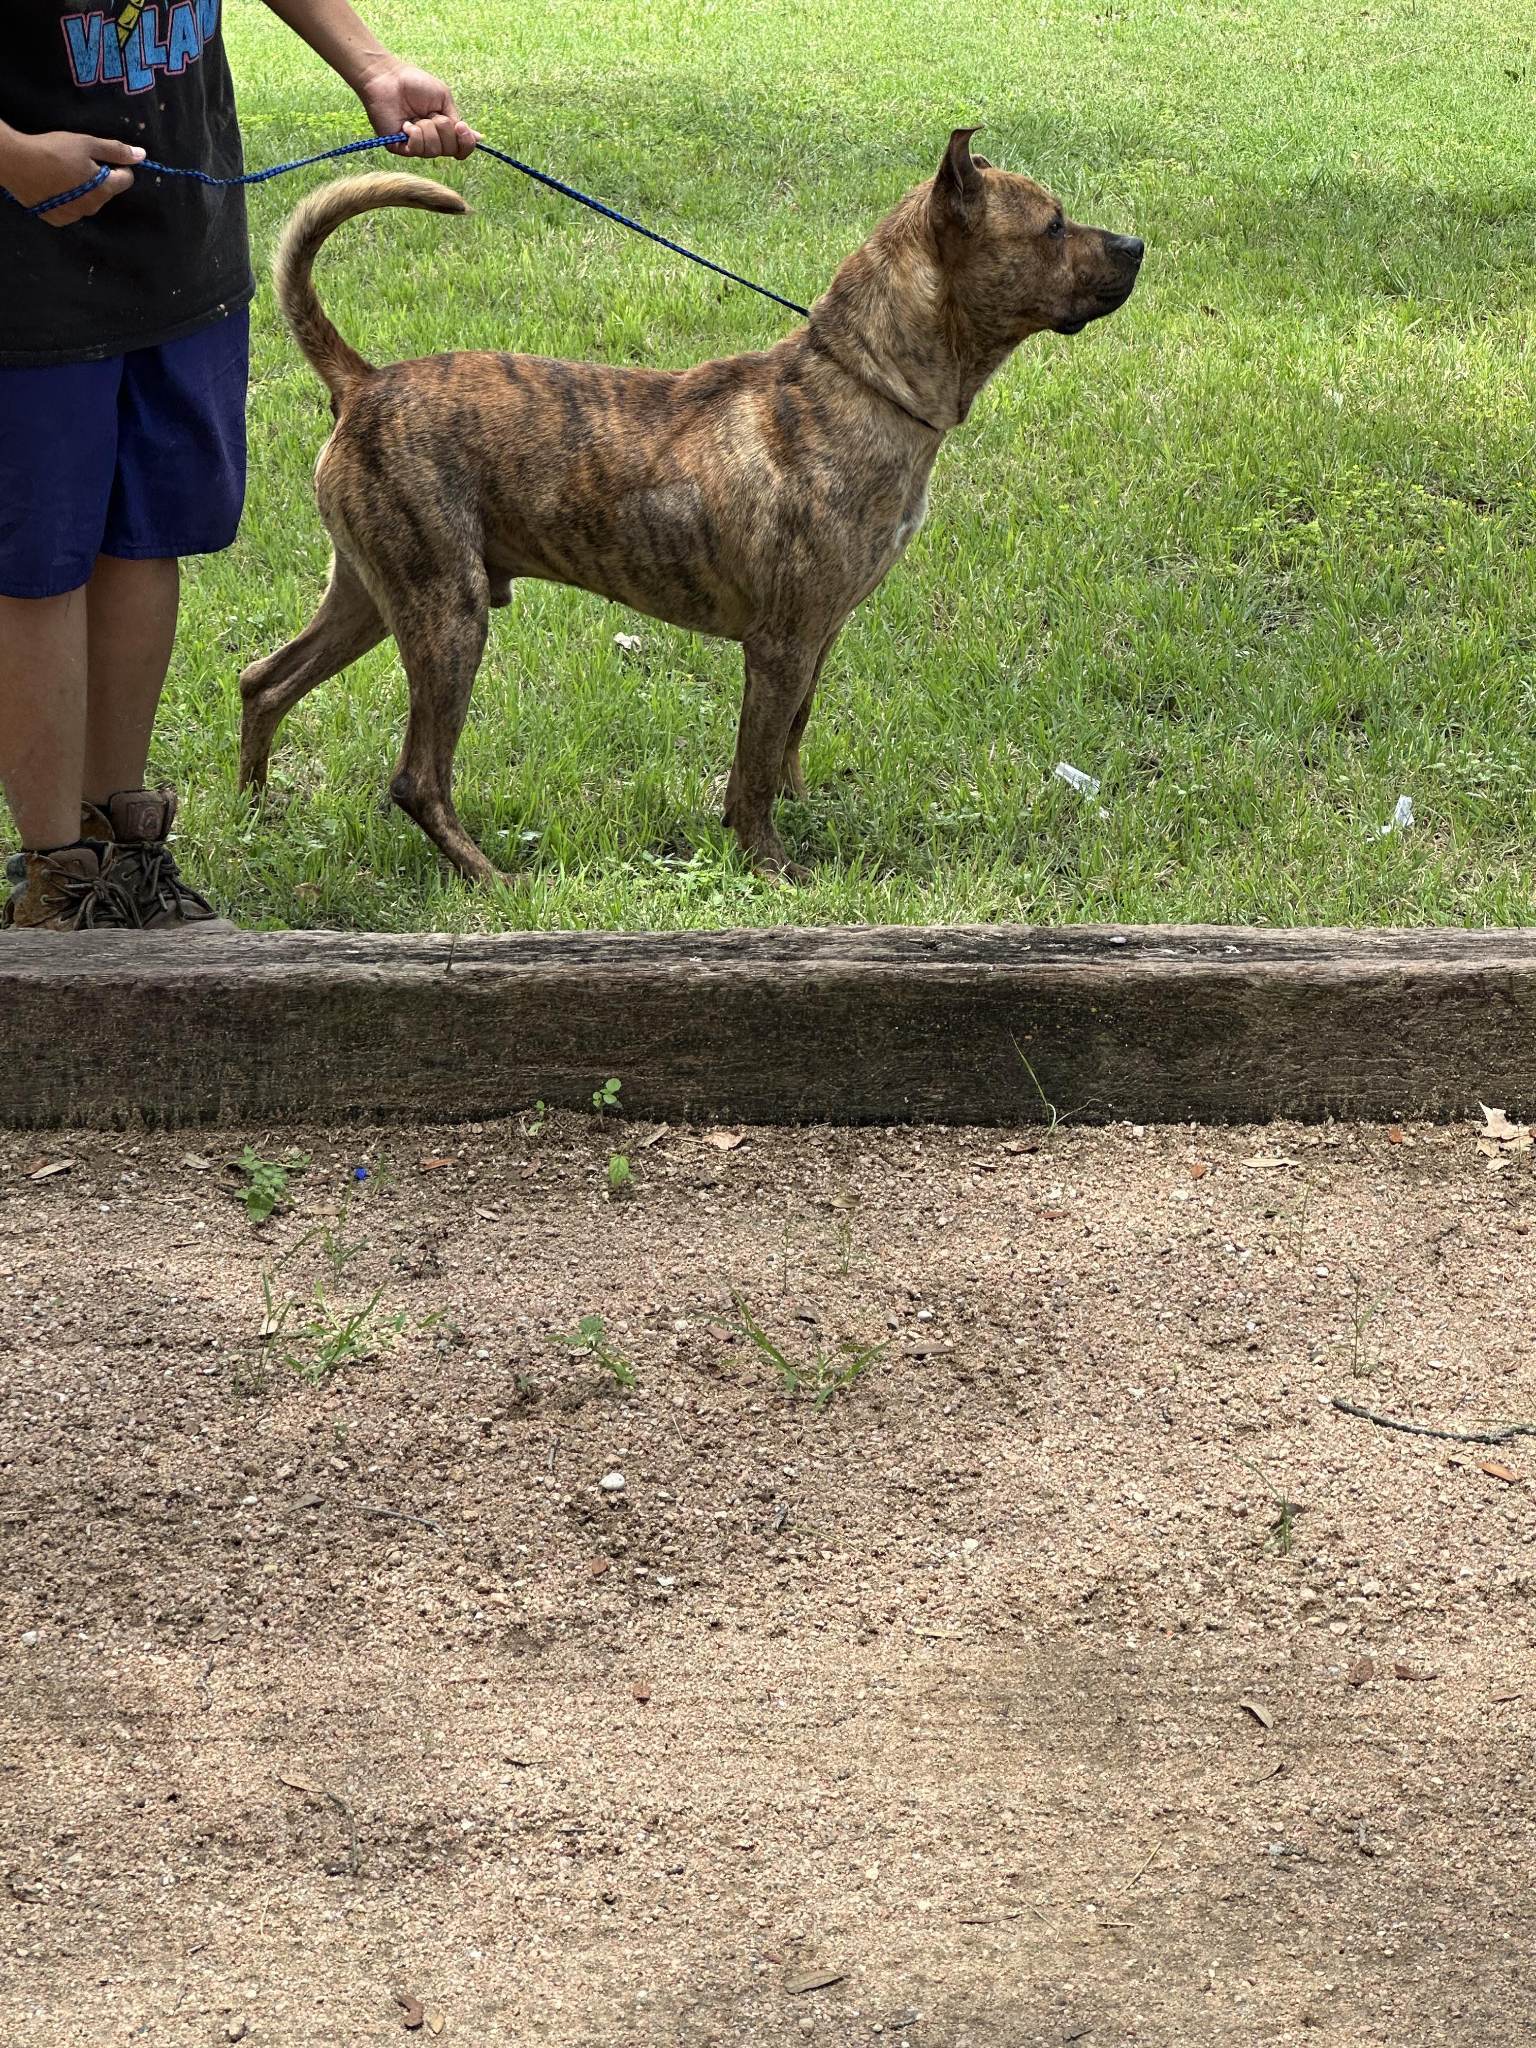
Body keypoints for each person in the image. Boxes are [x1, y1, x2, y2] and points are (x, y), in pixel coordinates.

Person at [0, 0, 477, 931]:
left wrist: (373, 67)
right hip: (25, 271)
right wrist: (13, 157)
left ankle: (122, 851)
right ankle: (55, 880)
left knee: (145, 538)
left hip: (179, 245)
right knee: (38, 563)